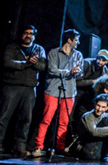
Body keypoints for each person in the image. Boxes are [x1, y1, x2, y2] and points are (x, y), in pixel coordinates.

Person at [32, 29, 83, 157]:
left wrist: (77, 72)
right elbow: (52, 70)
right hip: (53, 90)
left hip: (70, 91)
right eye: (76, 40)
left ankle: (59, 148)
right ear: (69, 40)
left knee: (64, 122)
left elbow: (80, 72)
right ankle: (38, 147)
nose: (78, 43)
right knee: (46, 119)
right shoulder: (54, 53)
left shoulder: (78, 55)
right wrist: (68, 72)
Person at [0, 25, 46, 157]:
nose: (28, 35)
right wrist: (25, 63)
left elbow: (43, 66)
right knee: (3, 117)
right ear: (21, 34)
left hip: (30, 89)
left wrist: (33, 63)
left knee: (25, 119)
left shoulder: (39, 49)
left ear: (34, 36)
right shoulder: (12, 47)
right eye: (26, 33)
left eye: (31, 34)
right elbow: (7, 62)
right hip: (11, 86)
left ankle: (20, 146)